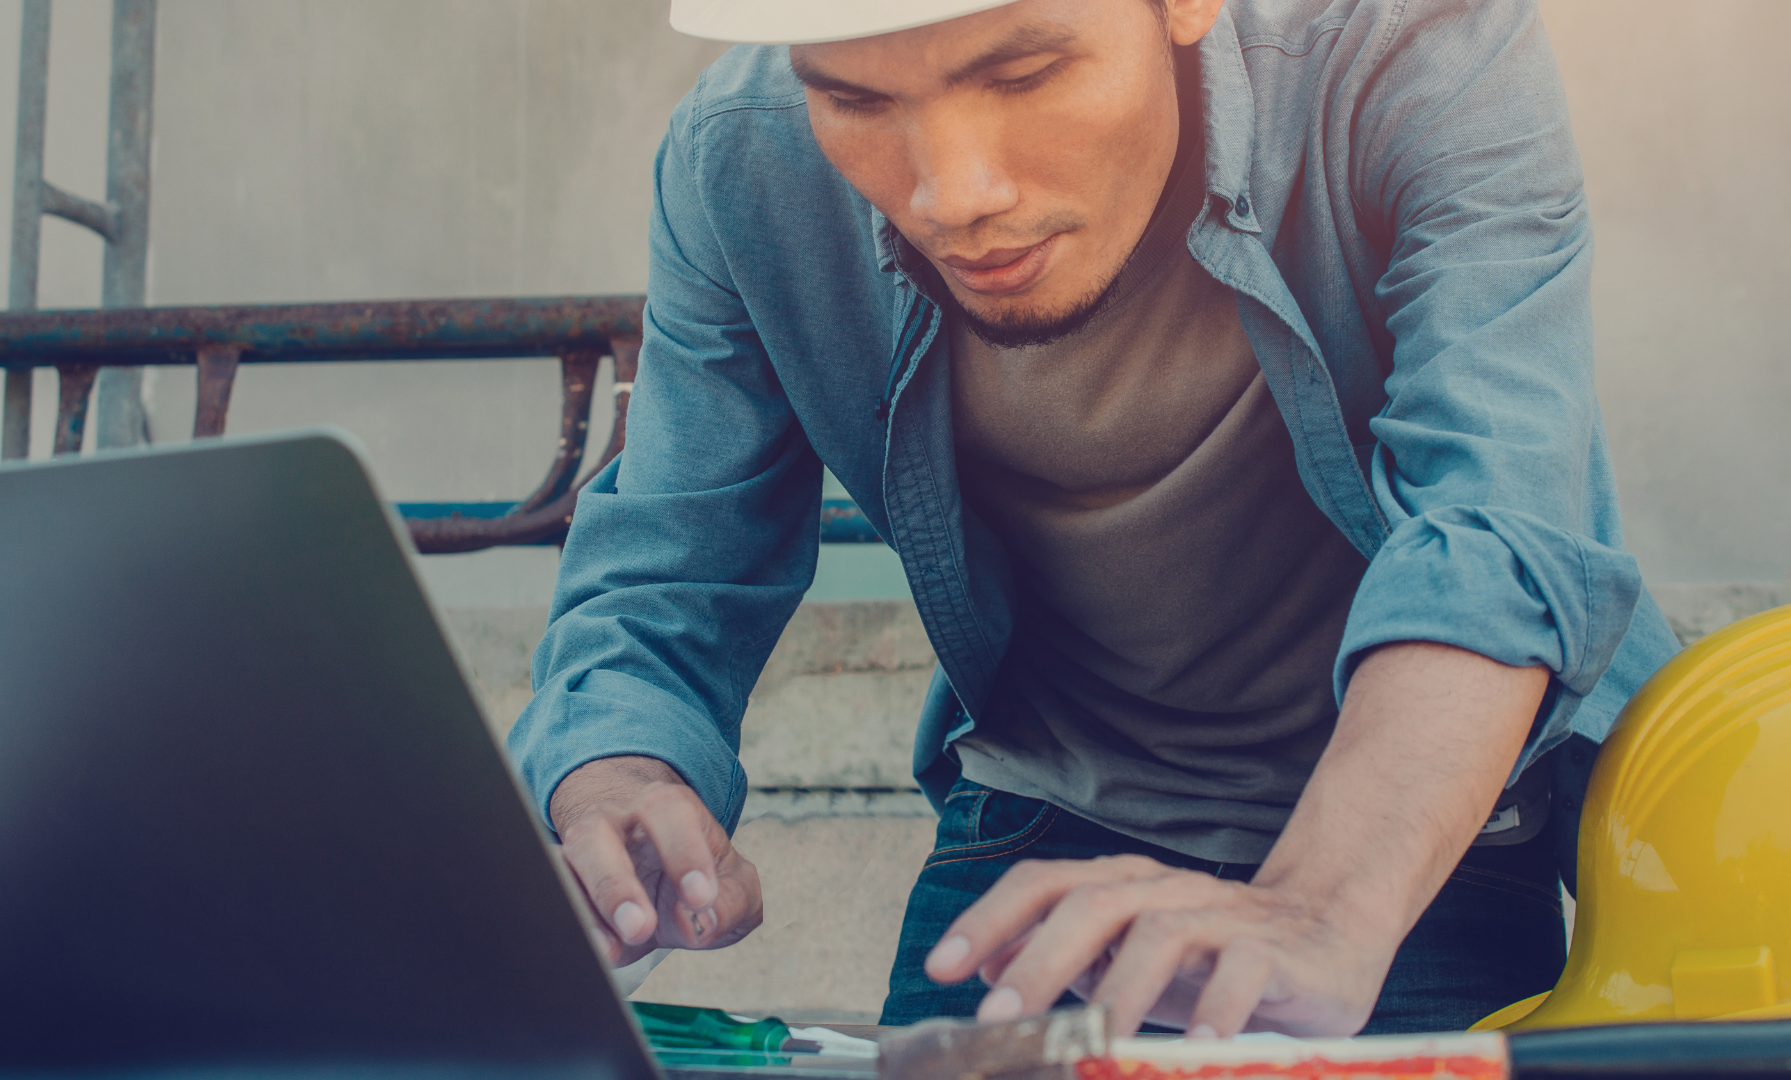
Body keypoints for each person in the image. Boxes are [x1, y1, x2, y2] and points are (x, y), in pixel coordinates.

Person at [507, 0, 1682, 1038]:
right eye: (858, 97)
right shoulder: (738, 156)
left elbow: (1498, 527)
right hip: (1043, 824)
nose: (956, 194)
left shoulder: (1420, 45)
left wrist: (1315, 906)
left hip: (1414, 847)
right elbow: (669, 556)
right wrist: (618, 779)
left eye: (1023, 75)